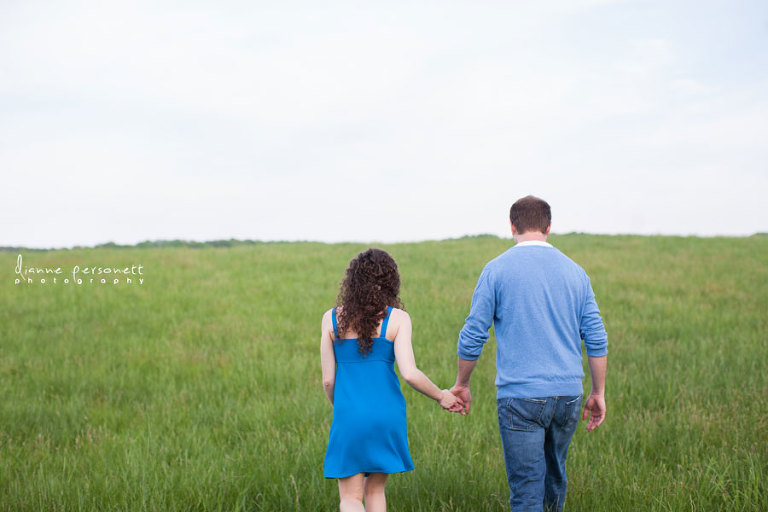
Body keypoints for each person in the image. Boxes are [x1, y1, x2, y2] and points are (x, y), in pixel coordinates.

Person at [450, 195, 608, 512]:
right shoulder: (576, 273)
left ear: (512, 226)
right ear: (549, 227)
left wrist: (462, 384)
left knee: (526, 492)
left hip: (519, 398)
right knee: (554, 481)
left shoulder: (495, 271)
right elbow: (596, 336)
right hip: (568, 395)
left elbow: (472, 336)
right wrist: (598, 391)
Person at [321, 248, 464, 512]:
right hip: (387, 415)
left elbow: (328, 381)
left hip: (349, 415)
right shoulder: (398, 319)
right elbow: (410, 373)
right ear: (391, 282)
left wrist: (341, 407)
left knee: (351, 498)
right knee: (375, 491)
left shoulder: (331, 319)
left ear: (352, 281)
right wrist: (441, 395)